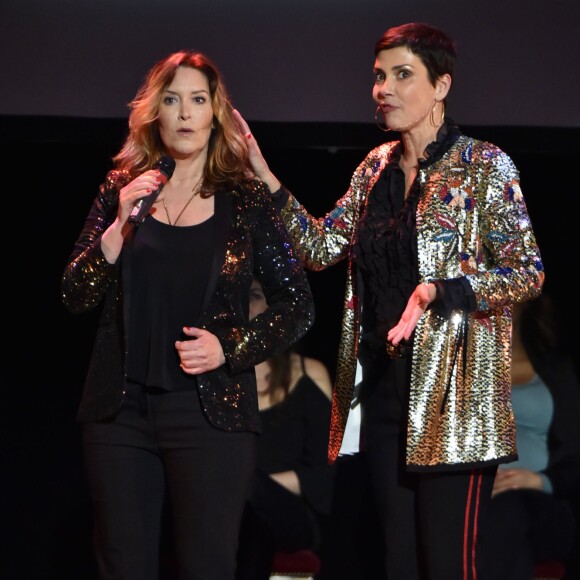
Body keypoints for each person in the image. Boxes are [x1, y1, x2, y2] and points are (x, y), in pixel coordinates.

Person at [234, 21, 545, 580]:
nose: (385, 89)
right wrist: (262, 171)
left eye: (403, 75)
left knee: (447, 563)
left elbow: (527, 271)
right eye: (380, 76)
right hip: (383, 390)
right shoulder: (373, 168)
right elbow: (319, 246)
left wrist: (443, 291)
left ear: (441, 86)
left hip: (454, 398)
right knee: (397, 560)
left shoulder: (484, 166)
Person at [60, 50, 315, 580]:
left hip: (209, 416)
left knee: (207, 566)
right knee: (122, 566)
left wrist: (230, 347)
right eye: (172, 100)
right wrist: (118, 229)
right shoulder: (121, 188)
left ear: (214, 113)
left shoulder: (244, 201)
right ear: (155, 112)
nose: (184, 113)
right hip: (120, 414)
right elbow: (74, 294)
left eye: (197, 100)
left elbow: (298, 305)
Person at [235, 278, 335, 580]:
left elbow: (323, 473)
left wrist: (253, 487)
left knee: (243, 486)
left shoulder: (308, 373)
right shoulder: (218, 383)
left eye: (252, 296)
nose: (244, 307)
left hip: (292, 516)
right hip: (233, 513)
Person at [479, 293, 580, 579]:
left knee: (508, 513)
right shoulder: (464, 374)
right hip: (479, 502)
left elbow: (576, 456)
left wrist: (541, 480)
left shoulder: (555, 371)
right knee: (506, 541)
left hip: (542, 502)